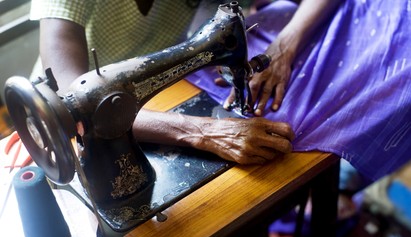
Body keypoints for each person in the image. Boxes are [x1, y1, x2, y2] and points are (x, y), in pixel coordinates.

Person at [28, 0, 341, 167]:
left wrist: (283, 47)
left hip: (151, 101)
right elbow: (72, 95)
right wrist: (201, 131)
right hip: (60, 131)